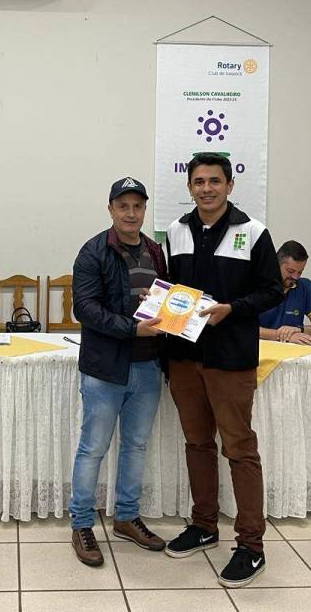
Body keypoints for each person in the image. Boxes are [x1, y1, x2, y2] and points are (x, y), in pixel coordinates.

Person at [164, 153, 283, 588]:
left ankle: (251, 546)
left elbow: (273, 290)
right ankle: (204, 526)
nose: (207, 189)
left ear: (230, 185)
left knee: (239, 449)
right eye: (199, 181)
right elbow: (172, 293)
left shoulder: (253, 232)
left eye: (215, 181)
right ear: (190, 186)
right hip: (184, 358)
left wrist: (233, 309)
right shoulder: (176, 231)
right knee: (197, 444)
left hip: (231, 359)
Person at [70, 176, 167, 566]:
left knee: (136, 445)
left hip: (148, 365)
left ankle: (126, 517)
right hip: (105, 368)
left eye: (137, 206)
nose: (131, 213)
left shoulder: (155, 251)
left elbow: (165, 300)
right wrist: (132, 327)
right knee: (93, 448)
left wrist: (159, 305)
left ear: (144, 210)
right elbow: (85, 308)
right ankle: (81, 524)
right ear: (110, 208)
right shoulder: (93, 252)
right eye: (123, 206)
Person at [259, 240, 311, 345]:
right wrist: (283, 335)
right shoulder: (254, 285)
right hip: (261, 350)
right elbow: (243, 328)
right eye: (290, 271)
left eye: (300, 272)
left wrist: (299, 330)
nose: (296, 277)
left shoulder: (305, 286)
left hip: (295, 351)